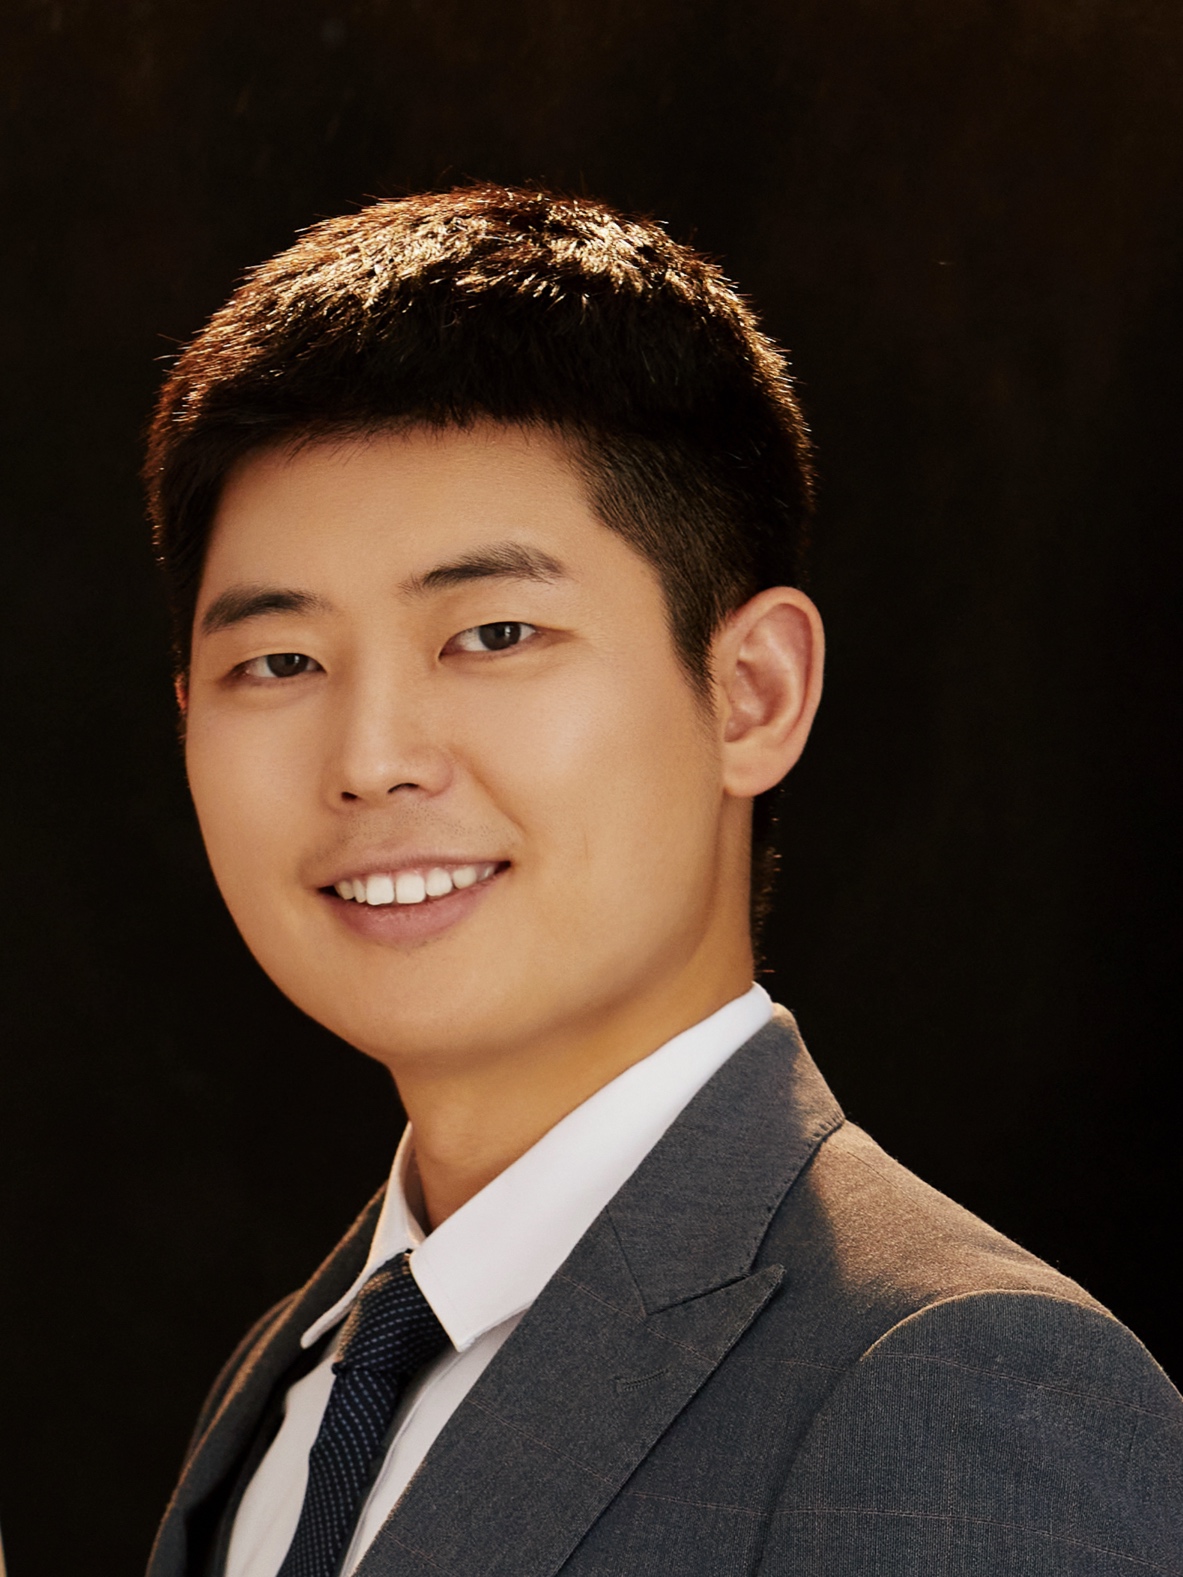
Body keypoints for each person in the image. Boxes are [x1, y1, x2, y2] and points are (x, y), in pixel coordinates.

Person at [143, 185, 1181, 1577]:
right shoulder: (289, 1385)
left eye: (493, 634)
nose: (371, 760)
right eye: (280, 661)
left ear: (752, 691)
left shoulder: (961, 1388)